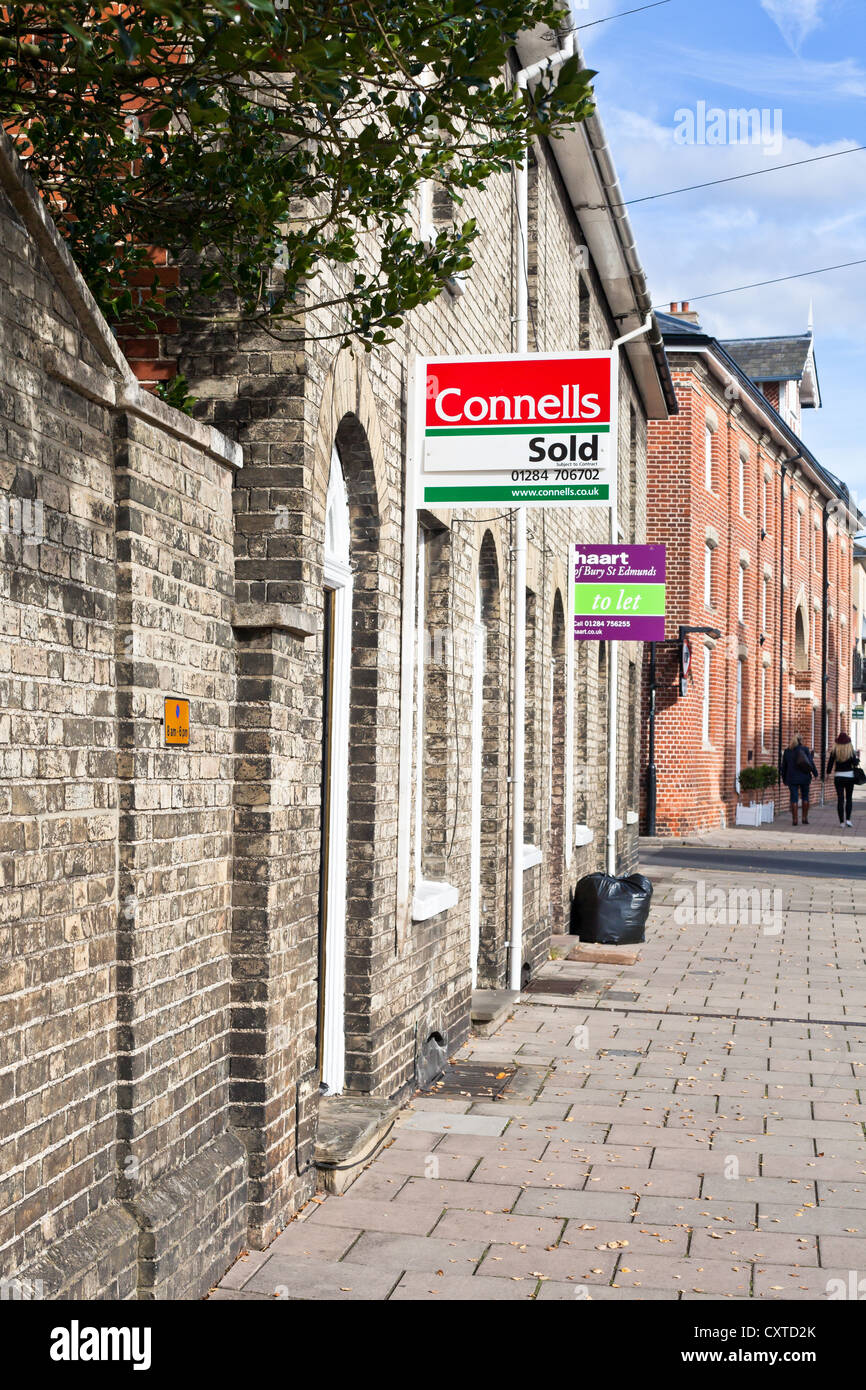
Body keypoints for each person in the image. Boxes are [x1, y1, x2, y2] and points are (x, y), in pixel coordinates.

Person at [780, 734, 817, 825]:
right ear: (801, 740)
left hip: (792, 778)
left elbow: (784, 766)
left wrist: (784, 778)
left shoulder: (787, 751)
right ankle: (804, 818)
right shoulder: (805, 749)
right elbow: (810, 763)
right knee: (805, 796)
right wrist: (815, 773)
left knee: (794, 798)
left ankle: (795, 820)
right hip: (804, 777)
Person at [826, 729, 860, 827]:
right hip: (850, 777)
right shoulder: (851, 751)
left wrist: (828, 774)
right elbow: (855, 763)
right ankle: (848, 820)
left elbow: (830, 763)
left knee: (840, 799)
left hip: (838, 777)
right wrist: (856, 760)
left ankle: (841, 822)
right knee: (849, 799)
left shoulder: (835, 751)